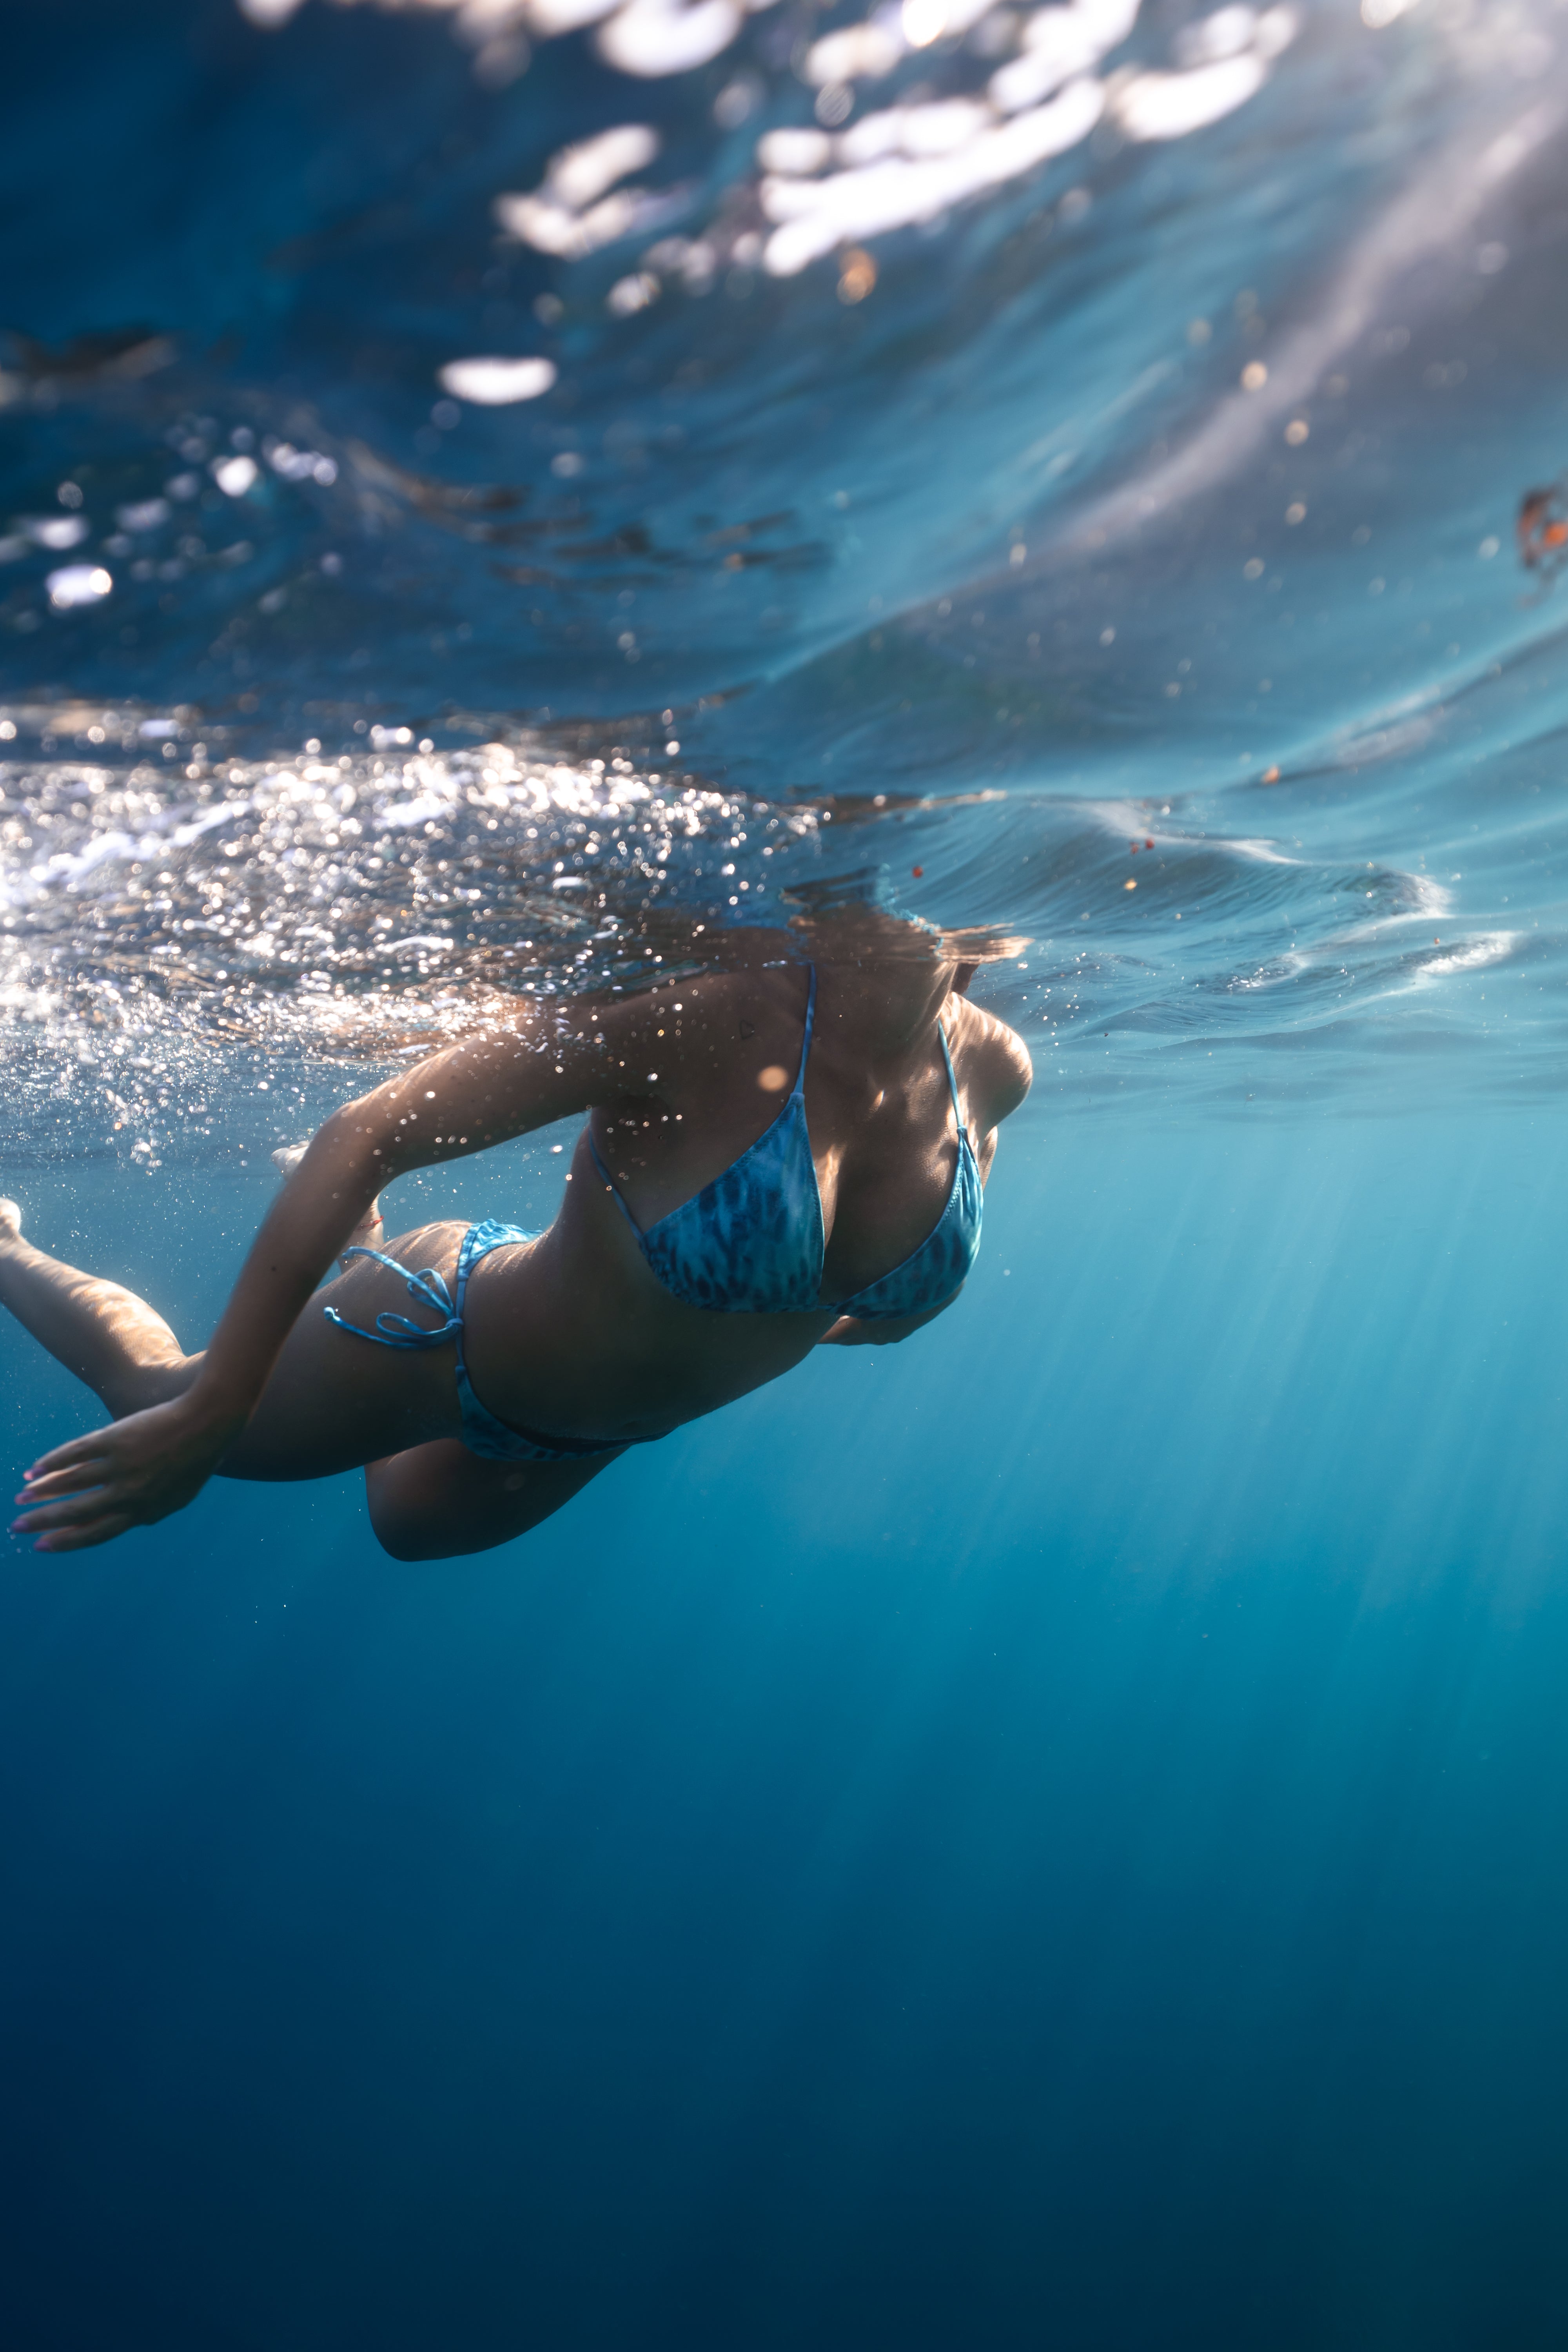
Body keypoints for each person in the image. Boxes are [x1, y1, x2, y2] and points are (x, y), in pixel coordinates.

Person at [4, 915, 1031, 1561]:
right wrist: (219, 1405)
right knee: (156, 1402)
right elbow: (367, 1132)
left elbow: (875, 1306)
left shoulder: (992, 1068)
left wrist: (754, 1325)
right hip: (438, 1333)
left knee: (412, 1532)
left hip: (582, 1438)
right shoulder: (706, 1013)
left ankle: (359, 1246)